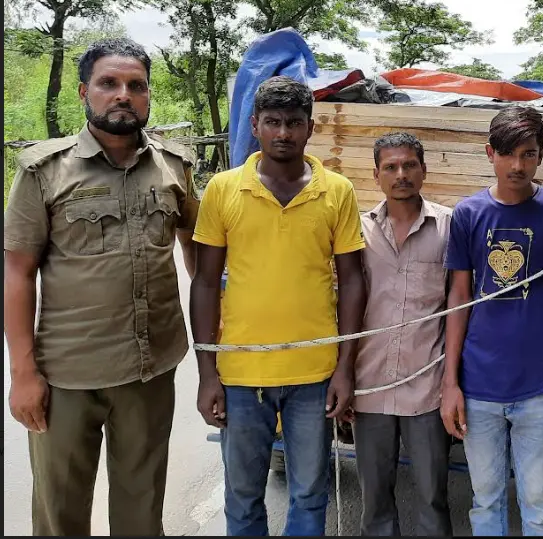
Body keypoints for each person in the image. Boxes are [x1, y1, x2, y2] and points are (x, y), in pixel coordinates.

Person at [3, 37, 200, 536]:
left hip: (151, 369)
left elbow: (196, 253)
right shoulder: (44, 171)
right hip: (68, 373)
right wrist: (23, 373)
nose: (123, 95)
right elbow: (17, 273)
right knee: (60, 512)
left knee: (142, 507)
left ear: (149, 96)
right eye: (108, 84)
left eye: (136, 86)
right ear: (83, 92)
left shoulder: (175, 168)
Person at [189, 76, 367, 536]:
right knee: (243, 497)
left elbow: (352, 281)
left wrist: (344, 369)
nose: (283, 133)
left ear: (311, 127)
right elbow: (206, 283)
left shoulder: (337, 191)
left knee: (310, 495)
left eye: (293, 122)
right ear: (255, 125)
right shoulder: (225, 190)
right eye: (272, 122)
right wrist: (207, 373)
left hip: (314, 375)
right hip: (241, 376)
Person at [440, 106, 543, 536]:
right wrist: (451, 382)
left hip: (540, 388)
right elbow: (460, 297)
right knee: (484, 501)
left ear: (541, 155)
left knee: (540, 506)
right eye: (508, 154)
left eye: (528, 154)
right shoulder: (468, 215)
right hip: (479, 386)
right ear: (491, 153)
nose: (517, 165)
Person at [353, 132, 453, 535]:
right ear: (376, 175)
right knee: (374, 497)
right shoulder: (356, 230)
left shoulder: (449, 226)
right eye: (391, 167)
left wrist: (453, 382)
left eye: (410, 165)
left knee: (433, 494)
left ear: (424, 171)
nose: (401, 174)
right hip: (369, 385)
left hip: (427, 386)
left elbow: (459, 306)